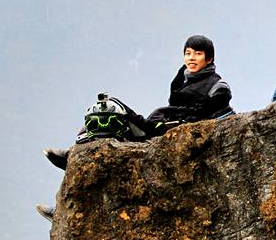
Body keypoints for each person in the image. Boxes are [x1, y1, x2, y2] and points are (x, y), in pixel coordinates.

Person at [36, 35, 234, 220]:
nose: (191, 58)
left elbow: (211, 112)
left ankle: (68, 176)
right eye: (188, 53)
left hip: (165, 132)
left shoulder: (216, 85)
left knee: (113, 111)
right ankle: (69, 172)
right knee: (102, 125)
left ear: (209, 59)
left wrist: (174, 126)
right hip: (160, 125)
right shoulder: (182, 77)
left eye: (198, 54)